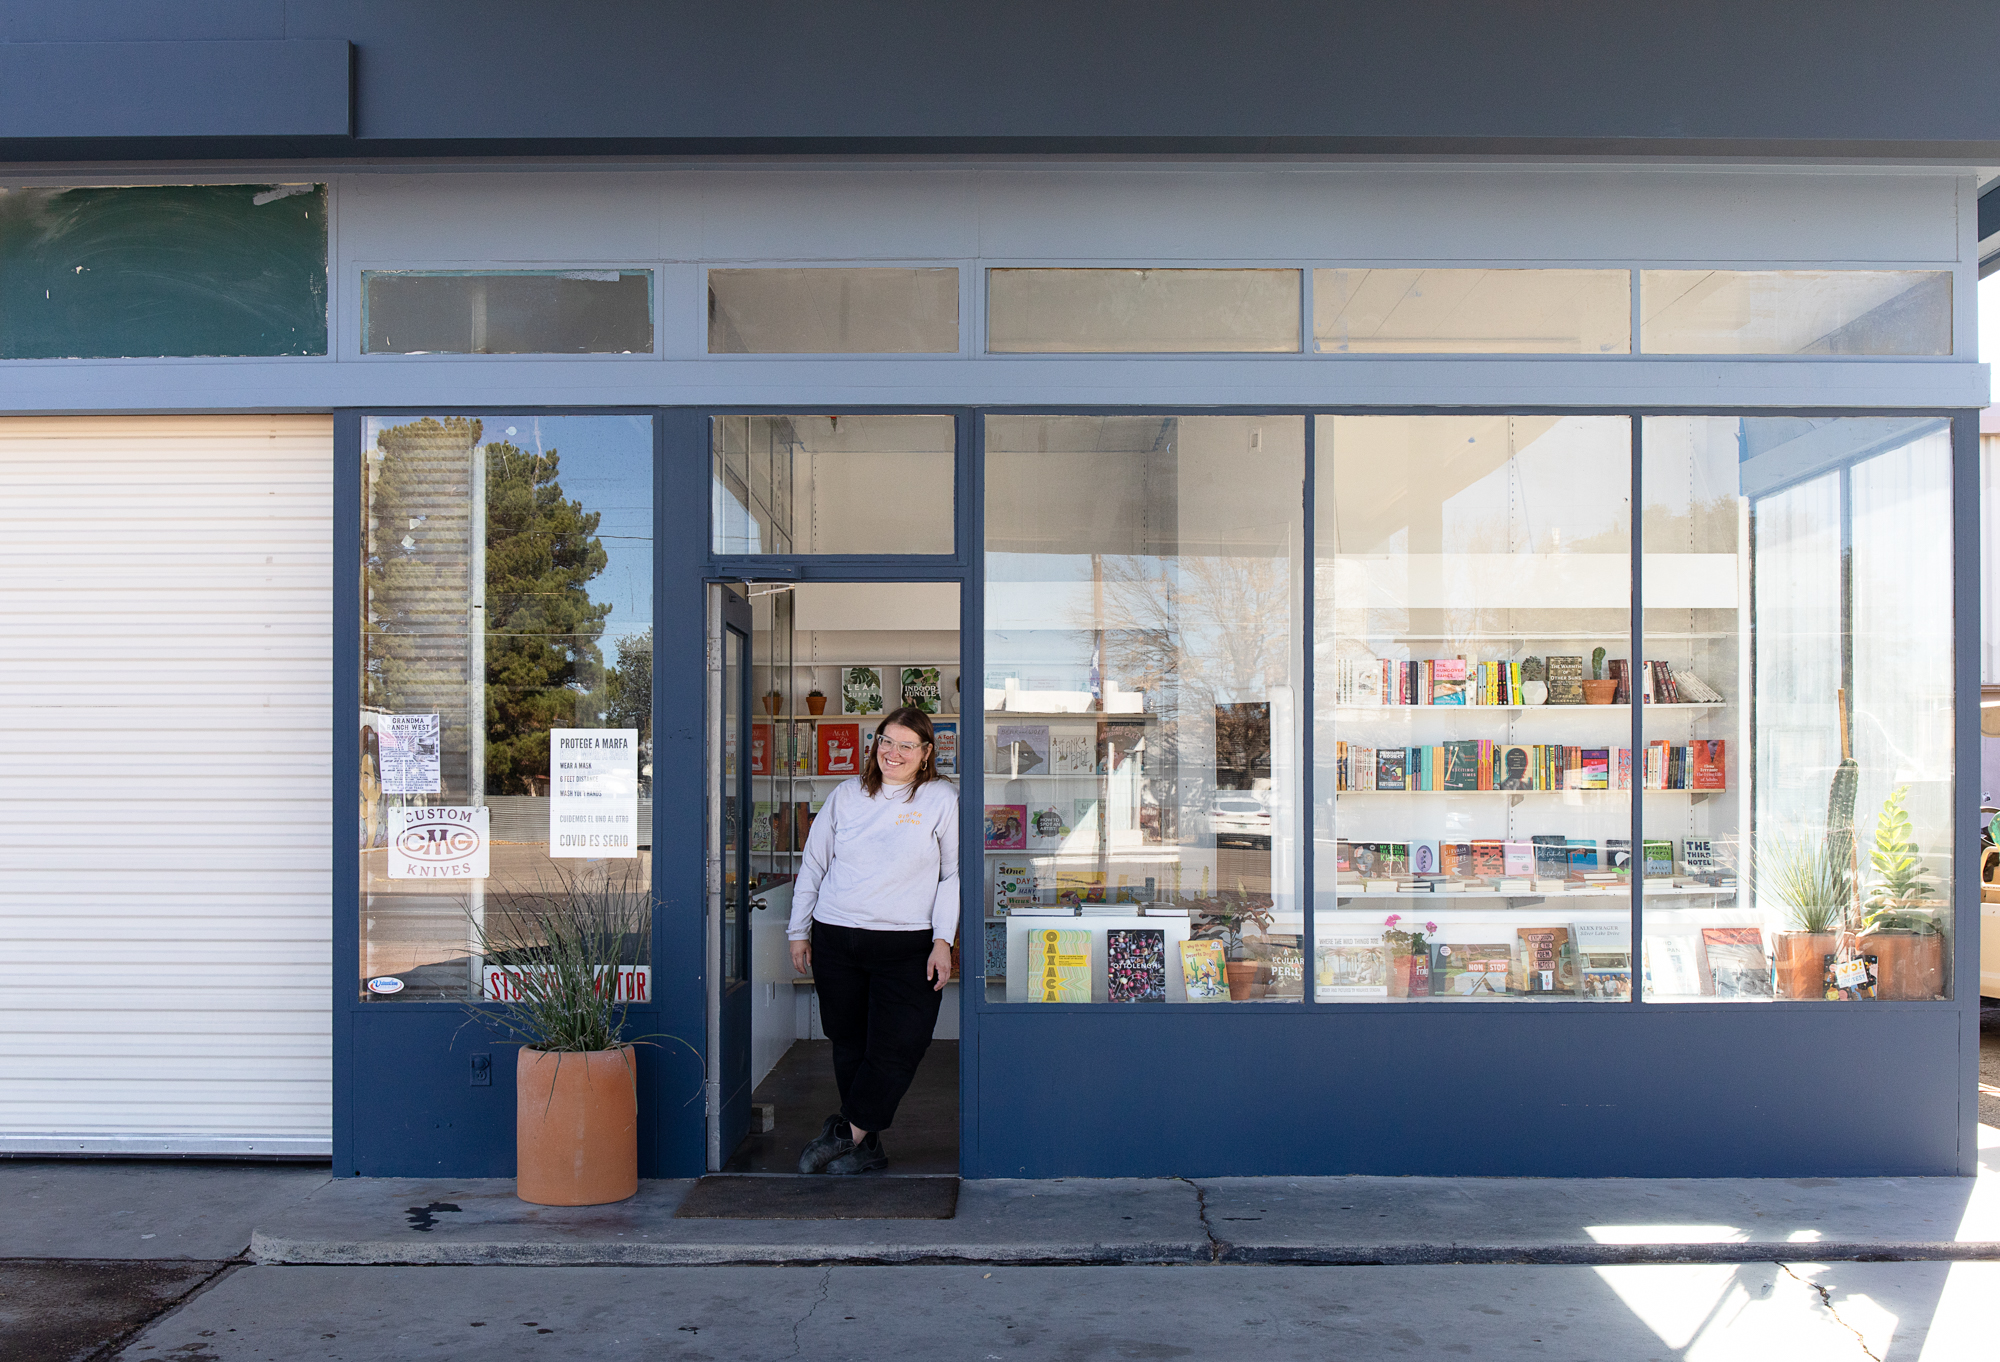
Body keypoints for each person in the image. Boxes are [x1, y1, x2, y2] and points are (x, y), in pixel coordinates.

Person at [788, 705, 958, 1175]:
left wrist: (943, 940)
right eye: (887, 740)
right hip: (837, 938)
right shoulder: (847, 795)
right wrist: (798, 930)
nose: (894, 752)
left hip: (908, 944)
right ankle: (867, 1147)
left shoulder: (942, 798)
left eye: (907, 744)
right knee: (849, 1042)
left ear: (926, 753)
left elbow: (952, 876)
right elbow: (815, 865)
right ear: (875, 744)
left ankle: (845, 1132)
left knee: (900, 1044)